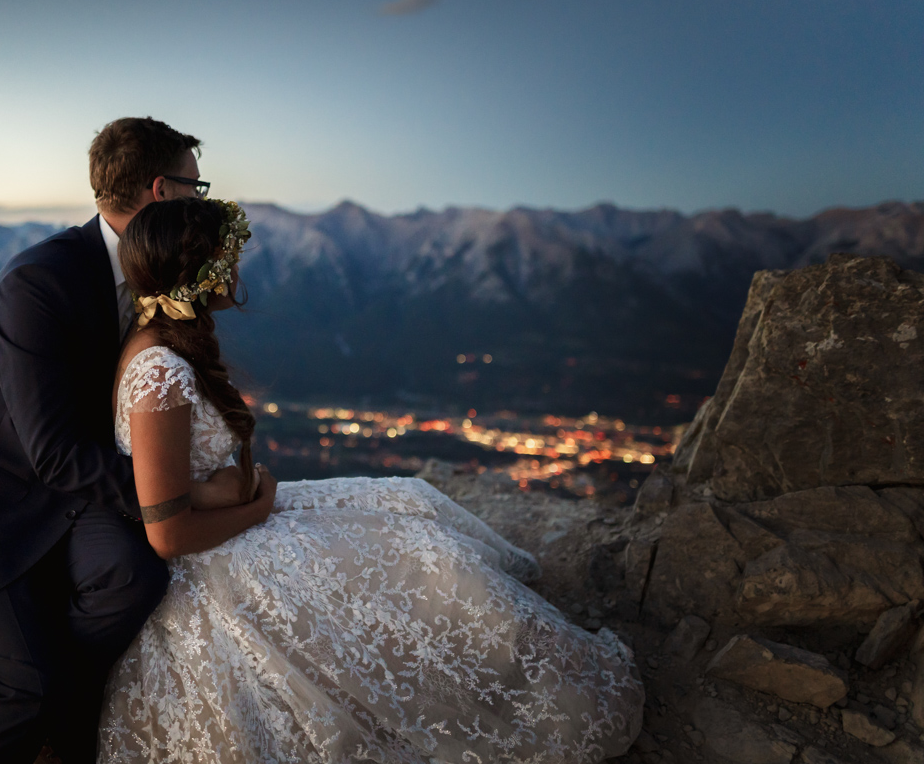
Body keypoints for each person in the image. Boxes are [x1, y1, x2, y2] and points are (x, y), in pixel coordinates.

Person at [98, 196, 646, 763]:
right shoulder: (159, 372)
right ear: (198, 274)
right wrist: (255, 506)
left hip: (233, 517)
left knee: (406, 501)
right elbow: (167, 534)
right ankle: (511, 696)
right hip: (207, 557)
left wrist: (232, 489)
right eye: (226, 261)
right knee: (415, 555)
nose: (237, 273)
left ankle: (512, 659)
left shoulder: (167, 340)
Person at [0, 118, 248, 763]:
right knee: (33, 682)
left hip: (81, 490)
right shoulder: (39, 282)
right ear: (163, 190)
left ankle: (74, 729)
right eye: (197, 186)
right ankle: (53, 720)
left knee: (137, 580)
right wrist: (184, 498)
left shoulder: (161, 269)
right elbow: (53, 451)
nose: (202, 199)